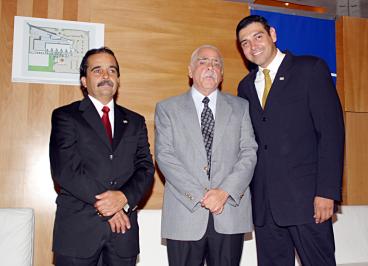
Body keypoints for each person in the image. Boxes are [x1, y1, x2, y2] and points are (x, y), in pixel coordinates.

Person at [236, 15, 345, 266]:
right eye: (244, 43)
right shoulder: (245, 86)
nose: (252, 46)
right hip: (265, 205)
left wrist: (327, 192)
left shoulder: (310, 69)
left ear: (273, 35)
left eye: (258, 36)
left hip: (308, 201)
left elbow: (331, 133)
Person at [49, 47, 154, 265]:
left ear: (118, 79)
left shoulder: (135, 121)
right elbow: (65, 170)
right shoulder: (65, 116)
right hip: (78, 233)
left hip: (123, 234)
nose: (106, 76)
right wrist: (110, 206)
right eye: (97, 70)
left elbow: (145, 168)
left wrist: (123, 198)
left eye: (112, 70)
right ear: (84, 81)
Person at [155, 44, 258, 266]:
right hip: (185, 212)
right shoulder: (167, 109)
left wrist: (223, 193)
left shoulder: (241, 107)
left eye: (216, 63)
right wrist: (202, 196)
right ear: (190, 71)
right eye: (203, 61)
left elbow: (249, 153)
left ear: (221, 74)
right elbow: (165, 156)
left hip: (229, 212)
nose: (211, 67)